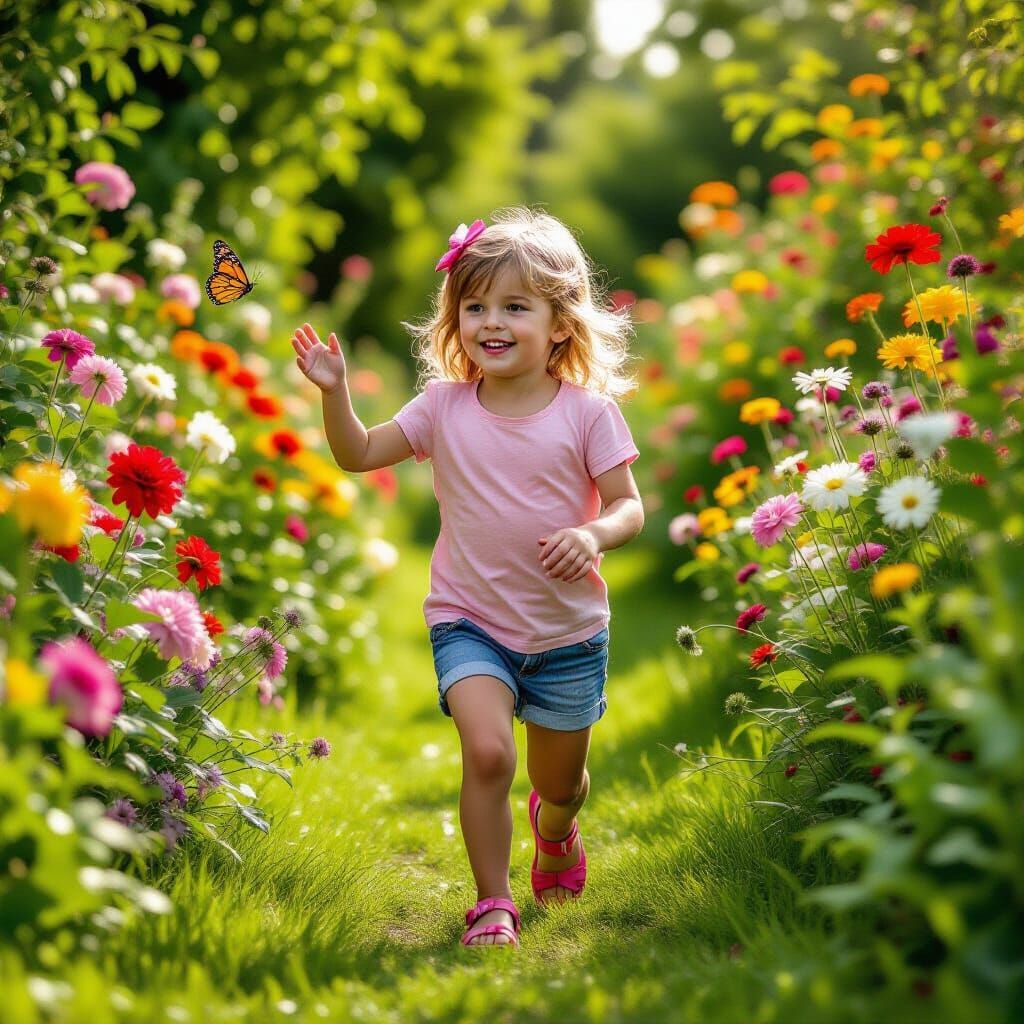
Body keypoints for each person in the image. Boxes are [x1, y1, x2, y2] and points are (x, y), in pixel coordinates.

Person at [291, 206, 644, 949]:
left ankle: (554, 835)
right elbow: (357, 453)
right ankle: (493, 902)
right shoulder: (442, 407)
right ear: (456, 318)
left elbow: (627, 508)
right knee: (488, 752)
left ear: (559, 324)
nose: (492, 321)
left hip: (568, 634)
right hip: (470, 621)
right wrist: (333, 393)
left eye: (515, 306)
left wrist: (592, 533)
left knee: (559, 786)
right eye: (475, 305)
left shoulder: (589, 415)